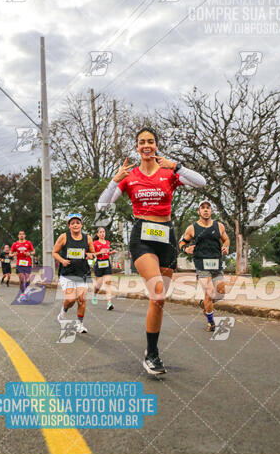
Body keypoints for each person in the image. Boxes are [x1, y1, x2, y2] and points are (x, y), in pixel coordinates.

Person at [97, 126, 206, 375]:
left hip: (166, 236)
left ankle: (150, 350)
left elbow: (202, 182)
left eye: (151, 141)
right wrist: (115, 180)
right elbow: (103, 205)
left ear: (156, 145)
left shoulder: (169, 173)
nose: (146, 145)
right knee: (157, 291)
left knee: (159, 301)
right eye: (142, 142)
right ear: (137, 147)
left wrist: (177, 166)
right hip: (142, 237)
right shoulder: (130, 175)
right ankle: (153, 355)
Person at [179, 200, 229, 332]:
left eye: (208, 208)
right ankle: (210, 321)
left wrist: (226, 246)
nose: (206, 210)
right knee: (210, 293)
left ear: (211, 211)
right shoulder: (192, 228)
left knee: (221, 294)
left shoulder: (219, 226)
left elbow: (226, 239)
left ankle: (204, 304)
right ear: (198, 211)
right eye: (203, 208)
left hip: (217, 263)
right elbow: (182, 243)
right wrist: (186, 249)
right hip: (202, 264)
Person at [52, 213, 95, 334]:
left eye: (77, 222)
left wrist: (91, 256)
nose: (75, 225)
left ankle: (79, 324)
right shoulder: (64, 237)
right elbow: (54, 252)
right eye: (72, 223)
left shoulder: (88, 238)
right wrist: (62, 261)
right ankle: (63, 312)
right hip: (68, 273)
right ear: (69, 226)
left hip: (82, 273)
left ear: (81, 225)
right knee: (70, 299)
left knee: (81, 299)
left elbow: (93, 254)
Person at [92, 227, 117, 308]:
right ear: (98, 234)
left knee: (108, 283)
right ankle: (95, 294)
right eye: (100, 232)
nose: (102, 233)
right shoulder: (95, 243)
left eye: (103, 232)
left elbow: (106, 253)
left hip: (107, 264)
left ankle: (109, 303)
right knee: (99, 285)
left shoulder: (108, 242)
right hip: (99, 264)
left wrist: (111, 252)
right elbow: (92, 254)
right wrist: (100, 252)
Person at [10, 231, 35, 301]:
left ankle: (26, 291)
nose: (21, 235)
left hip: (27, 263)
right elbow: (10, 254)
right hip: (19, 264)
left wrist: (29, 253)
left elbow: (33, 251)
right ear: (18, 236)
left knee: (27, 279)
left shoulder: (28, 243)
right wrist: (13, 254)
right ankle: (23, 294)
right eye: (20, 234)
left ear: (25, 236)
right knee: (21, 279)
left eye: (23, 234)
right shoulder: (15, 244)